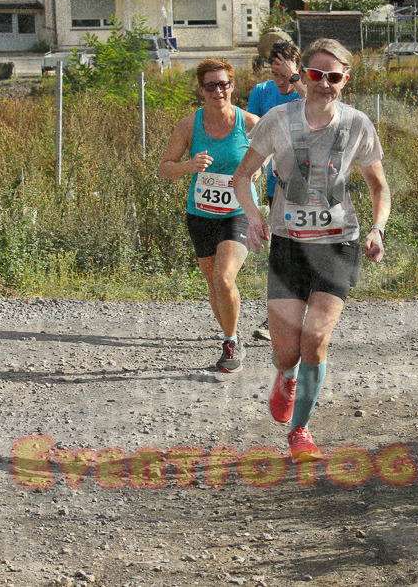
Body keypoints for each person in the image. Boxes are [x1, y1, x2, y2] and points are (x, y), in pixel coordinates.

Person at [233, 38, 391, 463]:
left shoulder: (358, 125)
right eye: (317, 75)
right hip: (288, 246)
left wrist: (377, 229)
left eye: (334, 77)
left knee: (315, 340)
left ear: (346, 80)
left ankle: (300, 430)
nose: (325, 84)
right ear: (303, 74)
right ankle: (285, 378)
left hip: (339, 245)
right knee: (287, 350)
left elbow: (379, 187)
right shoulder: (276, 120)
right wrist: (253, 218)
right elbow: (241, 176)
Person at [159, 59, 260, 373]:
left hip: (239, 212)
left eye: (224, 84)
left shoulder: (250, 123)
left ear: (232, 86)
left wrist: (257, 171)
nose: (219, 90)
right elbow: (164, 169)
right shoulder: (189, 125)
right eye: (211, 85)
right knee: (212, 283)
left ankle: (230, 342)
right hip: (200, 214)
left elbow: (271, 155)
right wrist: (189, 166)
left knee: (224, 277)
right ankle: (232, 334)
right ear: (201, 89)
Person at [245, 40, 307, 342]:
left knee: (305, 250)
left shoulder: (308, 88)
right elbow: (253, 137)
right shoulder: (261, 93)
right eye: (276, 74)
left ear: (296, 66)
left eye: (285, 74)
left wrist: (296, 80)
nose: (280, 82)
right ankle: (280, 318)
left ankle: (302, 311)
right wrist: (256, 164)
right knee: (283, 251)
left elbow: (324, 108)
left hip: (312, 186)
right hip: (277, 186)